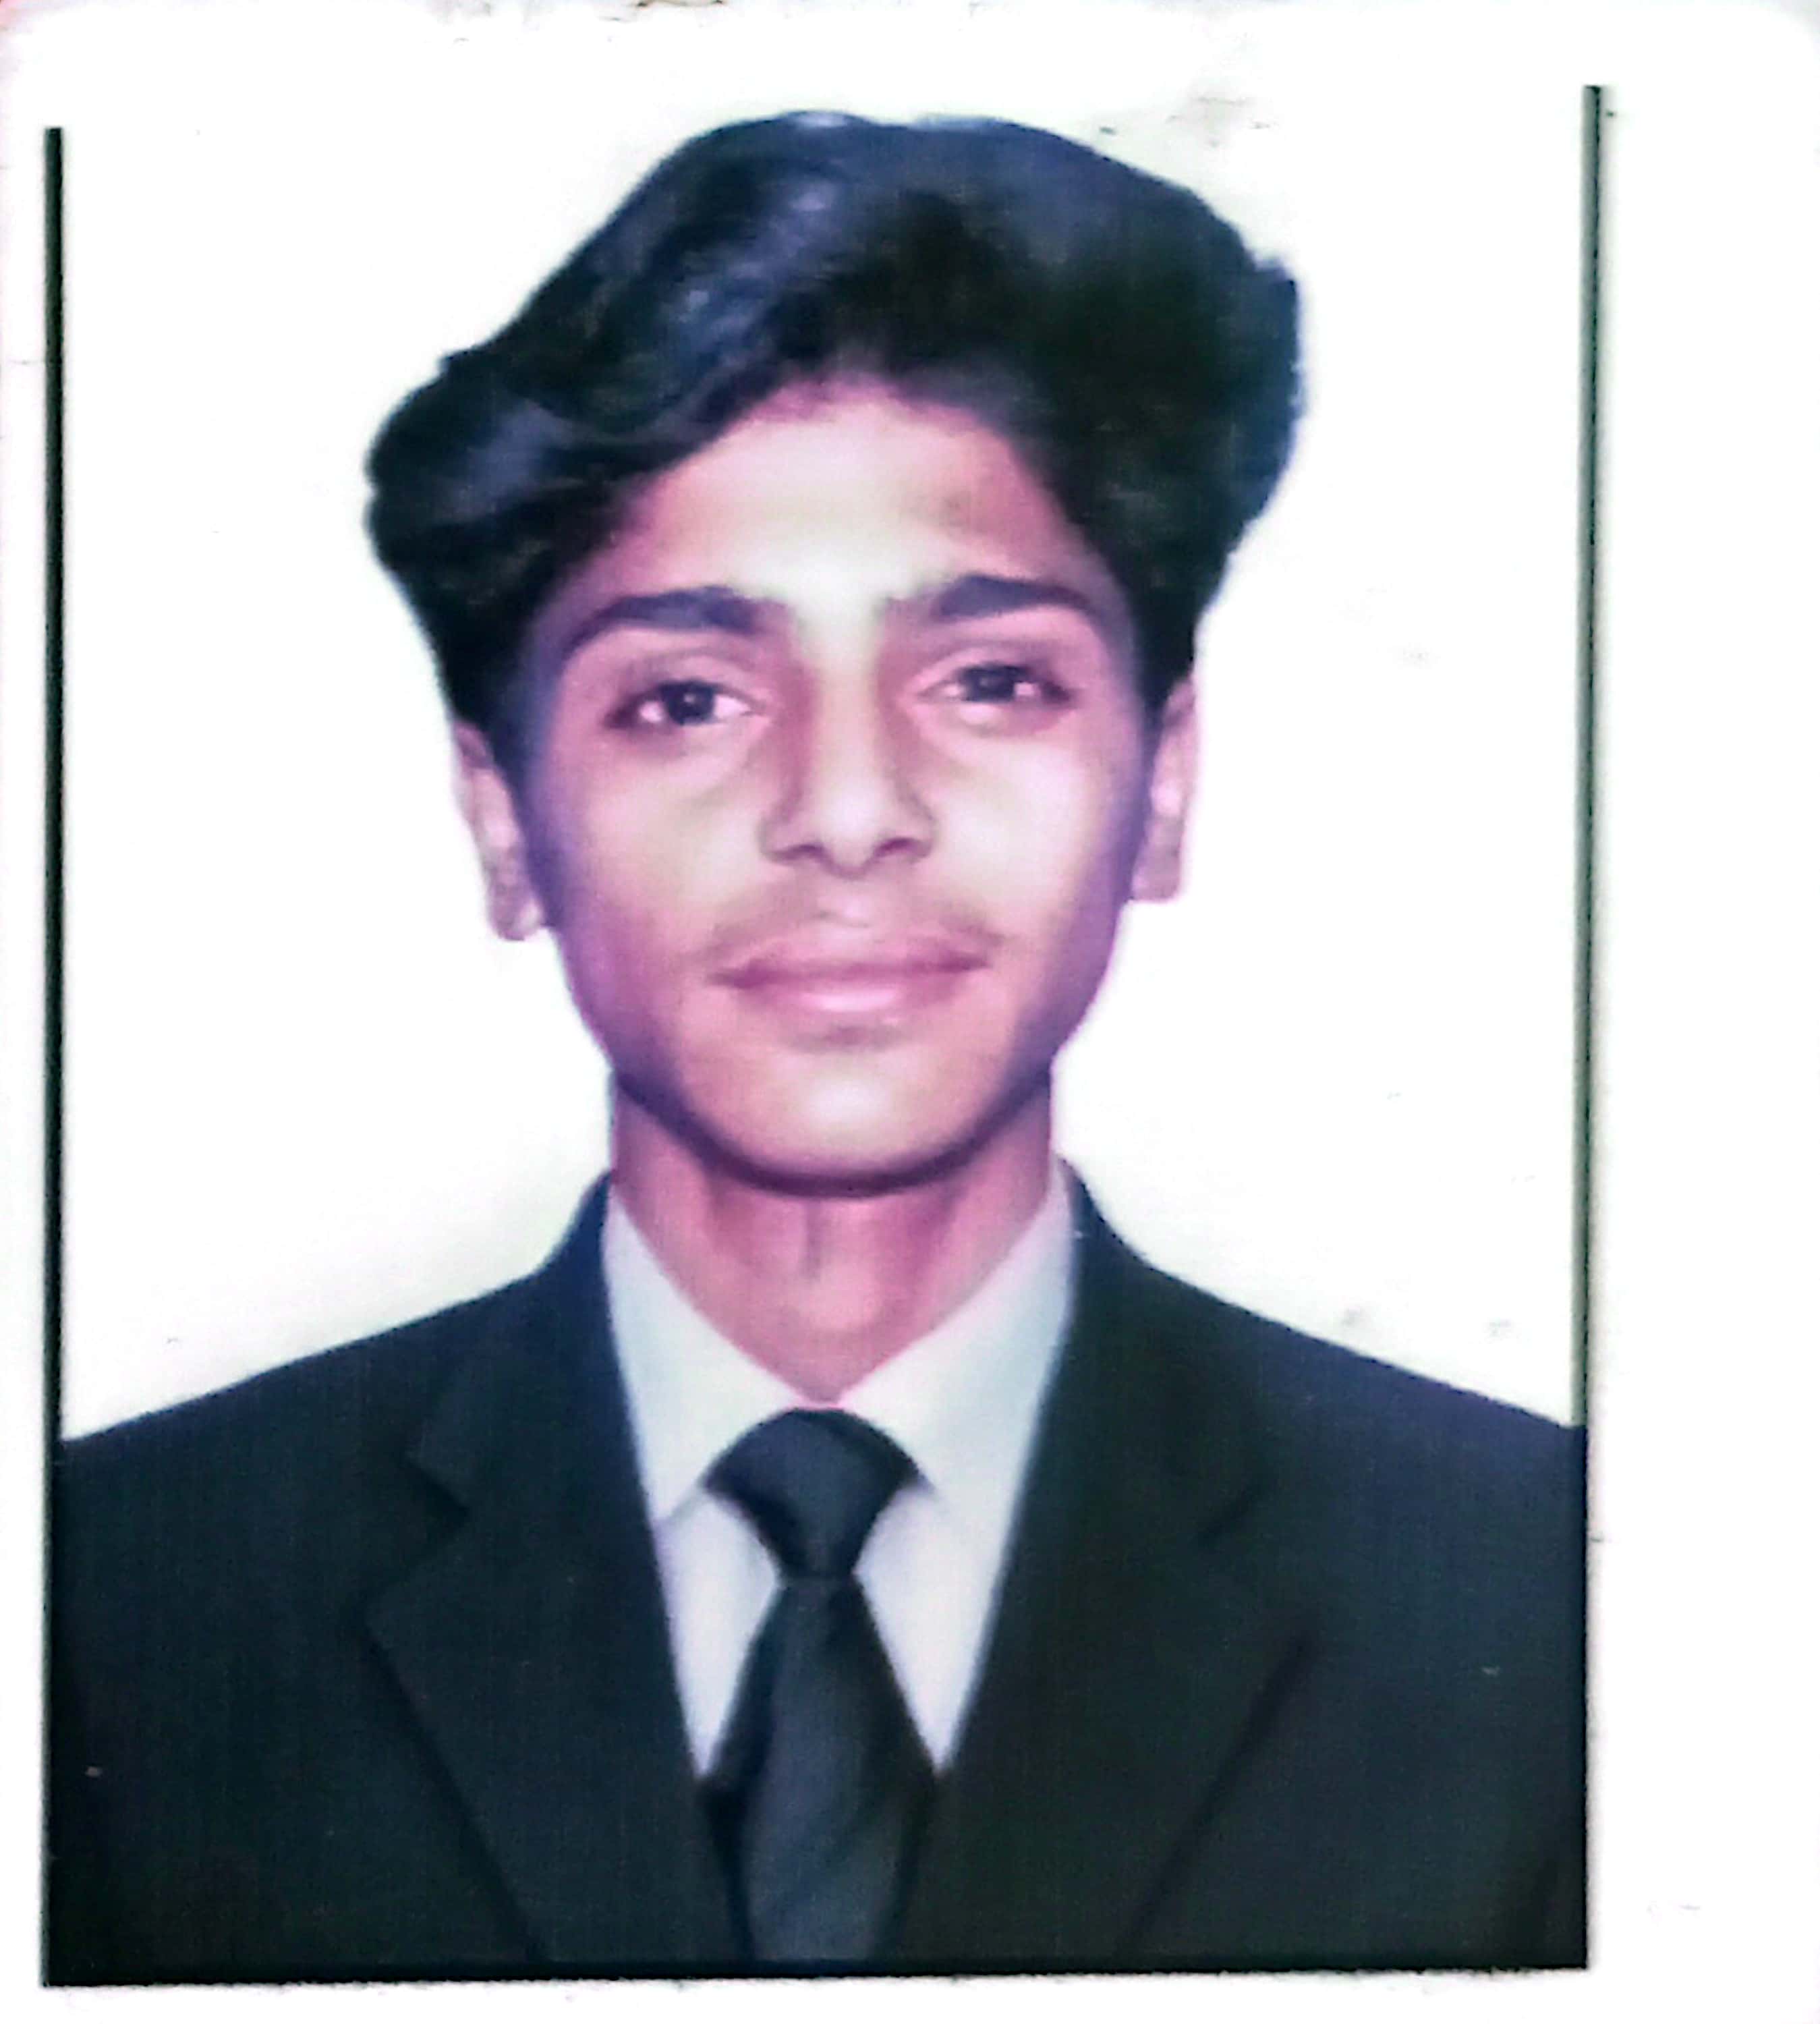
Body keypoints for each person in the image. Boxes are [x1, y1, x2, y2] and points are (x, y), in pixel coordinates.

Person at [48, 111, 1583, 1981]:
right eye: (687, 698)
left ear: (1164, 779)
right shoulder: (108, 1607)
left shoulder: (1545, 1594)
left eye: (990, 682)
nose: (849, 810)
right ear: (504, 820)